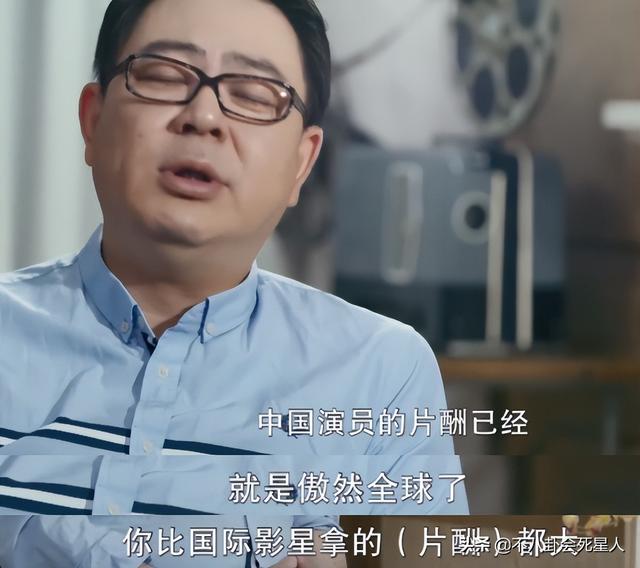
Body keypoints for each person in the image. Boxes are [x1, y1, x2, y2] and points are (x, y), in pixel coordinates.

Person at [0, 0, 467, 565]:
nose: (204, 116)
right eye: (164, 76)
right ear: (93, 122)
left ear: (302, 164)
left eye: (254, 95)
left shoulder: (382, 373)